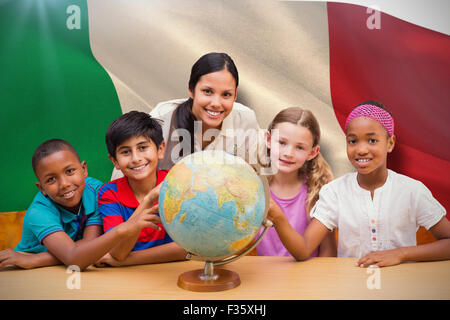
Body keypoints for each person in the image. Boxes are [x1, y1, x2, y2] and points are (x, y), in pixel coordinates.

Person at [267, 101, 450, 267]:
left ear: (390, 143)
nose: (361, 150)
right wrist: (278, 216)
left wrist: (401, 254)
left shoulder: (412, 191)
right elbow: (304, 249)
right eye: (353, 141)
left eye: (372, 140)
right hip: (349, 288)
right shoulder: (335, 192)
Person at [0, 139, 159, 270]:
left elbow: (89, 247)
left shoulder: (95, 190)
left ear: (83, 169)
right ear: (42, 188)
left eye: (69, 171)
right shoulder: (39, 212)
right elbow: (76, 259)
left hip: (59, 265)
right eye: (51, 179)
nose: (64, 184)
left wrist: (38, 260)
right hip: (29, 273)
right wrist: (122, 230)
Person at [111, 52, 262, 180]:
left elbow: (254, 177)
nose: (216, 103)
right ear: (191, 89)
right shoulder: (162, 119)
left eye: (226, 94)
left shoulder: (245, 119)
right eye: (207, 91)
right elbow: (123, 175)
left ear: (235, 96)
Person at [95, 111, 186, 267]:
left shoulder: (177, 182)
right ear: (114, 161)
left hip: (173, 272)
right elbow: (118, 252)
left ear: (160, 149)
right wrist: (148, 200)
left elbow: (186, 248)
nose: (136, 158)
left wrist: (127, 261)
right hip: (126, 281)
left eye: (143, 147)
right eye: (125, 152)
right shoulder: (110, 194)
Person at [257, 107, 336, 257]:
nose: (288, 153)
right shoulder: (255, 187)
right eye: (281, 142)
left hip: (306, 278)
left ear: (312, 152)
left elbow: (328, 251)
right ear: (268, 140)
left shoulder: (317, 191)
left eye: (299, 147)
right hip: (263, 277)